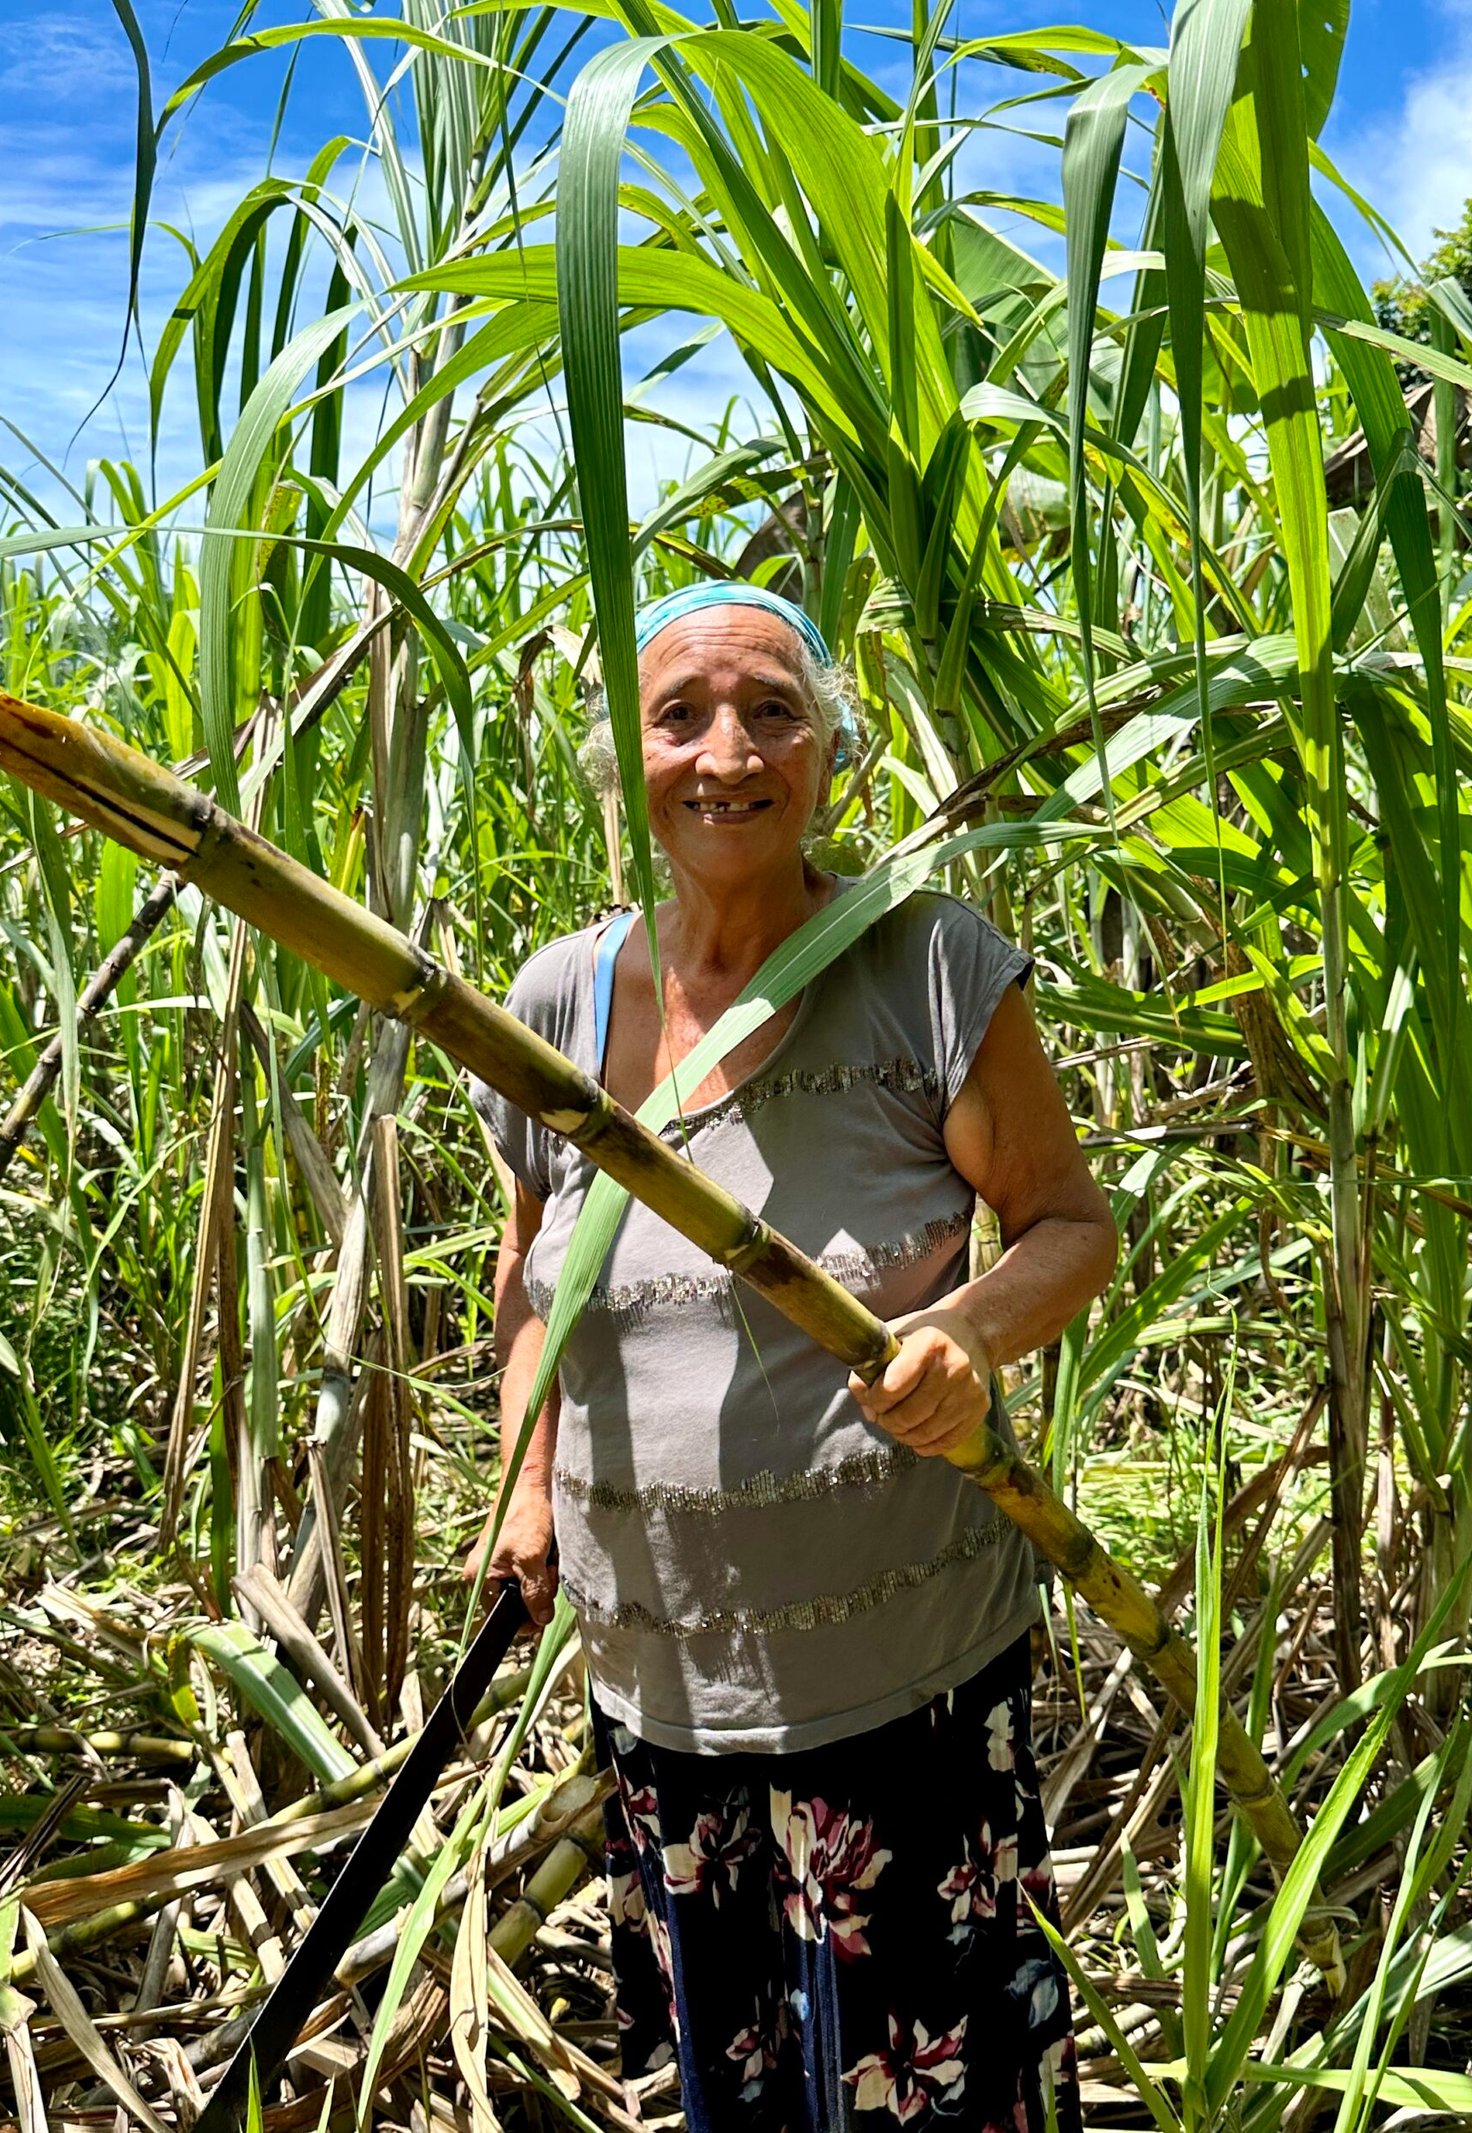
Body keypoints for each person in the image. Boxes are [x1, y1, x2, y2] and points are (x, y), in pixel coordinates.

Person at [466, 583, 1117, 2133]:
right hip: (659, 1691)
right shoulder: (563, 996)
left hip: (906, 1701)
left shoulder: (928, 966)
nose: (726, 751)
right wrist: (527, 1483)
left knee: (926, 2092)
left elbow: (1070, 1223)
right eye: (679, 714)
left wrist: (963, 1331)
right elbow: (526, 1279)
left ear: (828, 746)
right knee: (735, 2083)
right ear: (625, 757)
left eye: (771, 709)